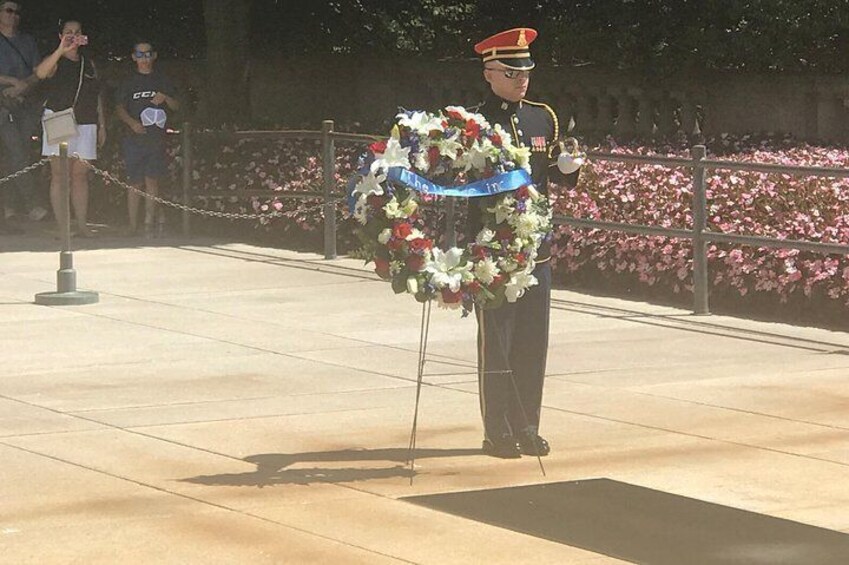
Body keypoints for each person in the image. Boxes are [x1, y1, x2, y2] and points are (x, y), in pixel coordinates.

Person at [471, 28, 581, 458]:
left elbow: (550, 170)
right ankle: (496, 429)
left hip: (537, 248)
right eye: (512, 72)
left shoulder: (542, 117)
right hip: (493, 248)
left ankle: (527, 424)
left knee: (534, 340)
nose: (522, 79)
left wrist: (568, 166)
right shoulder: (473, 125)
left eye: (526, 71)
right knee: (497, 341)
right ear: (490, 73)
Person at [35, 19, 105, 238]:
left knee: (80, 175)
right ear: (61, 36)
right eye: (68, 33)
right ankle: (63, 227)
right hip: (59, 118)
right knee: (60, 175)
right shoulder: (56, 60)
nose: (73, 36)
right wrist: (60, 50)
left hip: (86, 121)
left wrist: (102, 125)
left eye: (77, 33)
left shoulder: (89, 63)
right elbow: (40, 73)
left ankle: (82, 225)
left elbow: (97, 95)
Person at [114, 40, 179, 237]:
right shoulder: (128, 81)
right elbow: (118, 107)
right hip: (133, 139)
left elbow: (177, 106)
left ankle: (149, 223)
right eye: (140, 55)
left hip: (156, 139)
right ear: (134, 57)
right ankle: (133, 226)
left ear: (154, 56)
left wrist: (166, 98)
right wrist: (132, 123)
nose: (144, 59)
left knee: (152, 180)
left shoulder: (163, 80)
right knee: (134, 182)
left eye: (148, 54)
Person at [0, 0, 44, 234]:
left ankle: (9, 206)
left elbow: (39, 72)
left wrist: (22, 87)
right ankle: (33, 204)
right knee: (16, 151)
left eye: (17, 12)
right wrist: (11, 82)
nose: (14, 16)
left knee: (18, 154)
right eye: (9, 10)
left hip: (25, 104)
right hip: (2, 104)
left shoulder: (27, 41)